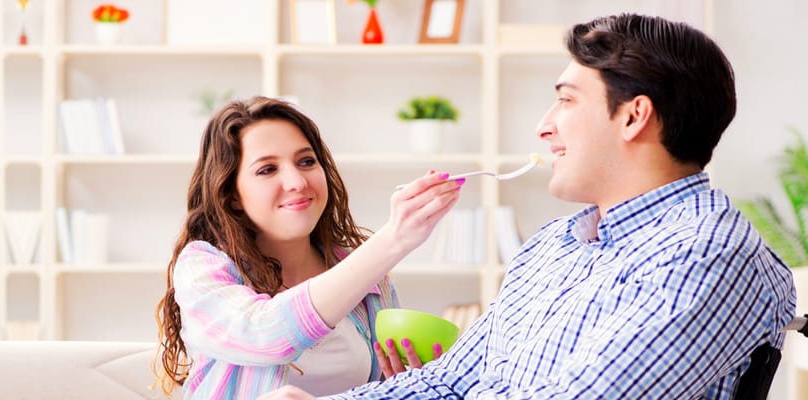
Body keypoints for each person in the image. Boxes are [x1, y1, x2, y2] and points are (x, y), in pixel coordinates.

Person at [258, 13, 798, 400]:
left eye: (565, 99)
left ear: (634, 117)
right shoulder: (553, 245)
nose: (544, 126)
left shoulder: (711, 256)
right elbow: (452, 380)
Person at [154, 96, 463, 399]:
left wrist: (402, 387)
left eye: (306, 161)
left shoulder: (365, 276)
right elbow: (265, 334)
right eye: (267, 169)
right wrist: (392, 240)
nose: (297, 182)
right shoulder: (204, 267)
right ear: (232, 194)